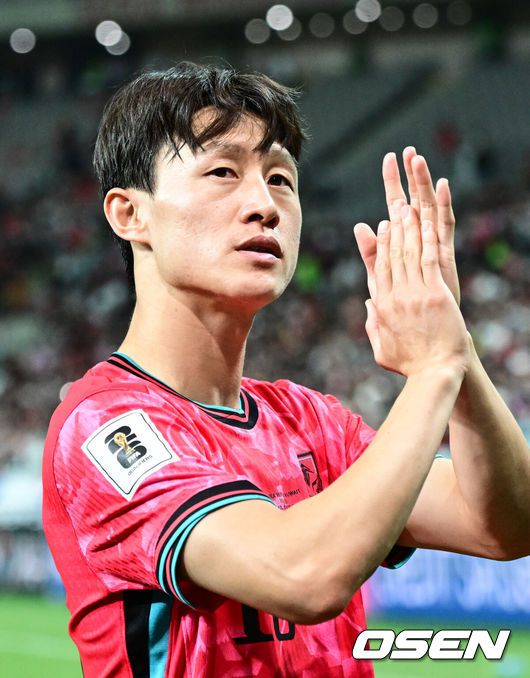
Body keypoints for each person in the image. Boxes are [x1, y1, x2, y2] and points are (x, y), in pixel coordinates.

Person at [42, 62, 530, 678]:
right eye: (223, 172)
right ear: (129, 214)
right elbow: (303, 576)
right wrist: (433, 372)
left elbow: (503, 527)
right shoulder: (104, 428)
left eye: (280, 179)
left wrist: (458, 354)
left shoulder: (310, 419)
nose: (264, 205)